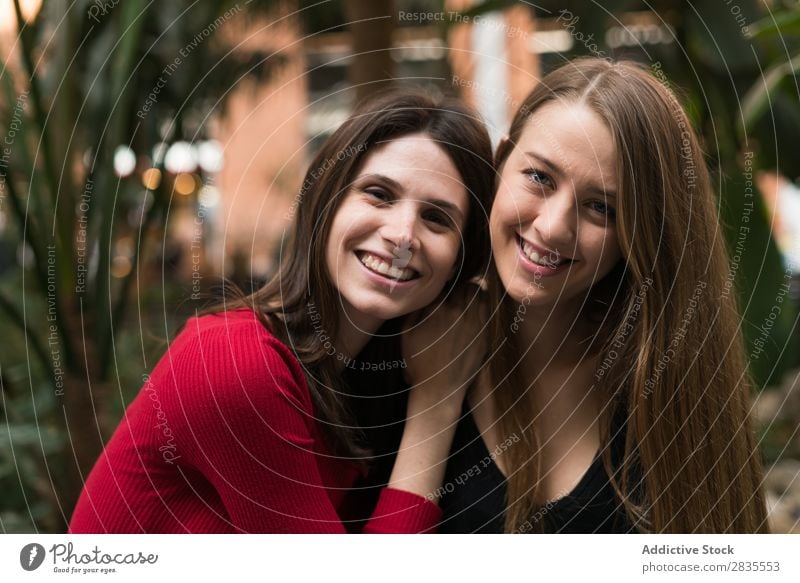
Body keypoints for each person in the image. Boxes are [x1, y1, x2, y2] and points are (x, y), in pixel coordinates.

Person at [68, 89, 494, 533]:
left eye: (437, 218)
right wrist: (436, 404)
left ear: (460, 262)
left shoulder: (368, 377)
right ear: (325, 204)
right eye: (379, 194)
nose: (403, 235)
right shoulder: (234, 362)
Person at [436, 57, 769, 533]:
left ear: (645, 234)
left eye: (601, 208)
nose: (552, 228)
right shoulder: (412, 346)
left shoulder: (671, 390)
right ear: (501, 161)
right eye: (539, 177)